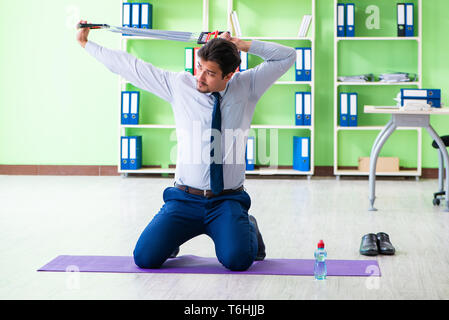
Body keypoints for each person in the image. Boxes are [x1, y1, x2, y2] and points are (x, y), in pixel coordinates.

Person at [77, 20, 296, 271]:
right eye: (199, 66)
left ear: (229, 74)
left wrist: (239, 44)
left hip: (226, 200)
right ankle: (172, 236)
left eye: (210, 73)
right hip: (184, 199)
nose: (199, 77)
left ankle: (248, 225)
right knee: (145, 258)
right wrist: (86, 44)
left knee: (238, 261)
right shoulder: (180, 85)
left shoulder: (247, 86)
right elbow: (131, 67)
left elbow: (287, 56)